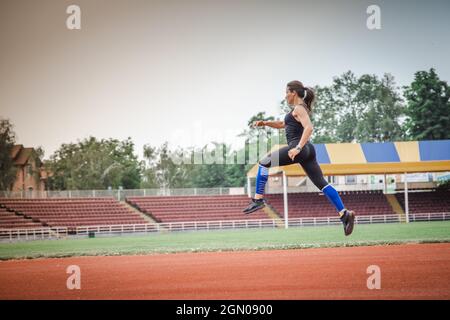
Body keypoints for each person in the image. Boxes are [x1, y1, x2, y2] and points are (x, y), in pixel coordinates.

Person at [242, 80, 355, 236]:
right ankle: (344, 213)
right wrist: (265, 123)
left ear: (293, 93)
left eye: (286, 92)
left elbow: (309, 128)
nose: (285, 96)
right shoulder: (298, 110)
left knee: (264, 162)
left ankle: (258, 200)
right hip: (308, 150)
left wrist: (297, 147)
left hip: (300, 148)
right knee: (321, 183)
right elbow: (283, 124)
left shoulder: (299, 108)